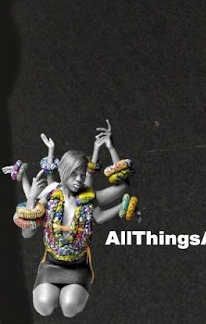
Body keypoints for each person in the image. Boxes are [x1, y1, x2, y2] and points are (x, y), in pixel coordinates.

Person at [7, 123, 134, 316]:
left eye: (82, 175)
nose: (79, 179)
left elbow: (122, 186)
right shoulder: (50, 197)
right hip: (51, 263)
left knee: (70, 307)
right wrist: (32, 199)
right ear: (64, 171)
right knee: (43, 306)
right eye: (74, 174)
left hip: (78, 266)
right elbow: (27, 233)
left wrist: (110, 147)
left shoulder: (89, 198)